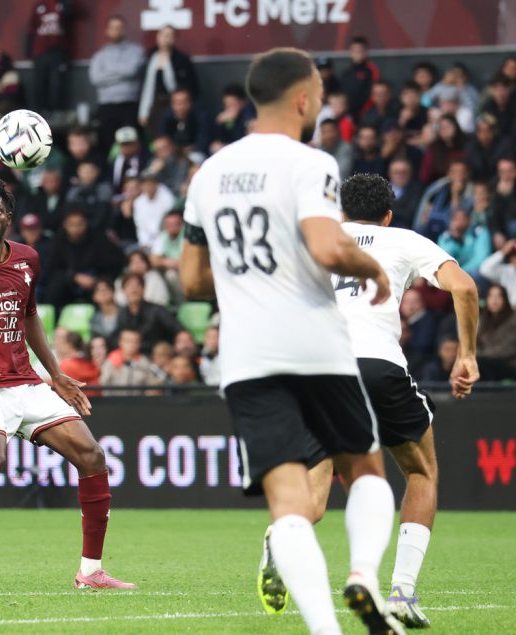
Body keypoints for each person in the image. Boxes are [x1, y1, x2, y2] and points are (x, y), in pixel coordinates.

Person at [179, 47, 402, 634]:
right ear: (303, 98)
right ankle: (363, 575)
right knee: (366, 469)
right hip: (314, 343)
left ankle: (325, 629)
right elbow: (327, 246)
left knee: (288, 503)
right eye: (320, 94)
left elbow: (192, 280)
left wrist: (246, 281)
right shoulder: (311, 163)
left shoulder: (207, 174)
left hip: (246, 357)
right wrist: (371, 269)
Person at [257, 173, 481, 629]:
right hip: (377, 364)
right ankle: (401, 593)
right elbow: (465, 288)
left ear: (341, 211)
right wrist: (467, 355)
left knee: (313, 497)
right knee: (421, 472)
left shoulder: (314, 242)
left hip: (320, 370)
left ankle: (281, 535)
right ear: (388, 215)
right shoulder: (403, 239)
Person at [0, 180, 135, 592]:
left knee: (92, 455)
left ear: (8, 219)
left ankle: (90, 571)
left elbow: (29, 317)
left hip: (25, 381)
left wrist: (56, 374)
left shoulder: (28, 260)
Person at [89, 15, 145, 151]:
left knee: (130, 145)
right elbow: (96, 78)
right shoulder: (99, 55)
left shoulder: (136, 51)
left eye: (119, 28)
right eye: (113, 28)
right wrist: (122, 72)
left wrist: (108, 73)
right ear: (107, 31)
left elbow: (131, 71)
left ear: (125, 30)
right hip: (106, 106)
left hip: (129, 105)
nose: (116, 31)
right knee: (107, 146)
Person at [137, 26, 198, 134]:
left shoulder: (181, 59)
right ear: (158, 37)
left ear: (175, 39)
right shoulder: (149, 58)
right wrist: (143, 111)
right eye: (164, 35)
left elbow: (191, 86)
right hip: (154, 105)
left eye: (170, 35)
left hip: (174, 104)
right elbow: (145, 87)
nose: (166, 38)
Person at [25, 0, 74, 114]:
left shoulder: (62, 4)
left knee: (56, 85)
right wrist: (28, 51)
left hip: (58, 52)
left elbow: (70, 17)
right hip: (40, 53)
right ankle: (40, 113)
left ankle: (56, 113)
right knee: (40, 84)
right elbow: (31, 29)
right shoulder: (39, 6)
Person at [114, 273, 180, 352]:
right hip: (132, 354)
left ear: (144, 288)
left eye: (137, 286)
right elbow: (117, 336)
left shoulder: (157, 310)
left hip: (156, 353)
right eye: (129, 286)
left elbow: (177, 329)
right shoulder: (122, 313)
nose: (134, 290)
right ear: (123, 290)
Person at [437, 209, 492, 277]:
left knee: (476, 273)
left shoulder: (479, 232)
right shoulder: (445, 237)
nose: (459, 222)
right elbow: (443, 260)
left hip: (474, 273)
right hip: (453, 274)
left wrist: (460, 272)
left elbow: (481, 259)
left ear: (469, 220)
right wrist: (454, 239)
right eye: (455, 219)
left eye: (462, 219)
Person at [340, 35, 380, 119]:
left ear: (366, 52)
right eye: (355, 51)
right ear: (351, 53)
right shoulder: (346, 72)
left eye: (360, 51)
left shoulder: (371, 69)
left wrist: (364, 112)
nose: (357, 54)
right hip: (348, 114)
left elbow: (375, 92)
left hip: (366, 113)